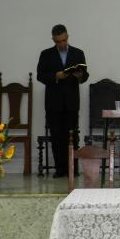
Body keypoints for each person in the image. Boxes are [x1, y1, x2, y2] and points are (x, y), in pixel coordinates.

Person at [36, 24, 89, 178]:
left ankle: (73, 168)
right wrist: (55, 76)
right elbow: (40, 75)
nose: (62, 44)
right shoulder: (46, 54)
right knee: (56, 136)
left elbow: (85, 75)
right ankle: (60, 169)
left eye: (64, 40)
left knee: (73, 136)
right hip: (54, 103)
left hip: (72, 102)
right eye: (58, 41)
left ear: (67, 37)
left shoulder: (78, 53)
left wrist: (80, 76)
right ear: (53, 40)